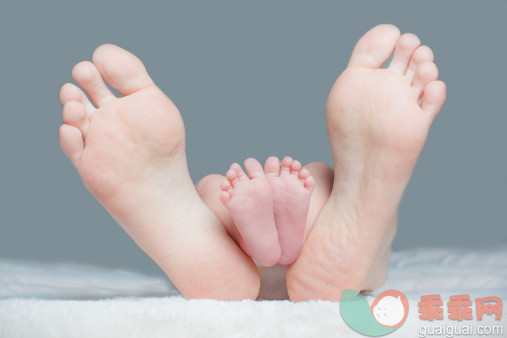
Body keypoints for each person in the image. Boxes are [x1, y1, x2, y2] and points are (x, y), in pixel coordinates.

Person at [58, 24, 446, 301]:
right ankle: (331, 231)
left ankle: (233, 239)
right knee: (324, 179)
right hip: (320, 245)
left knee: (208, 191)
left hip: (230, 250)